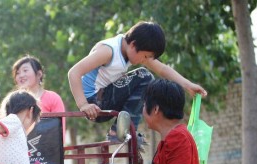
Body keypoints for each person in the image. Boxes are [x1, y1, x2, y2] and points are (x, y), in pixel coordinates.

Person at [68, 21, 207, 141]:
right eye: (145, 56)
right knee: (144, 76)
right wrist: (83, 105)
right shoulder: (108, 51)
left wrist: (187, 85)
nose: (144, 60)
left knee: (146, 78)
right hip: (94, 102)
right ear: (134, 45)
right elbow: (73, 73)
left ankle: (123, 130)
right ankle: (120, 131)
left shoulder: (130, 48)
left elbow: (162, 69)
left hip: (104, 100)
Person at [12, 55, 66, 136]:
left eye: (25, 70)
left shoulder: (53, 98)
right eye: (17, 73)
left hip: (47, 146)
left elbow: (60, 130)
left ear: (39, 74)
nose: (21, 75)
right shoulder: (13, 100)